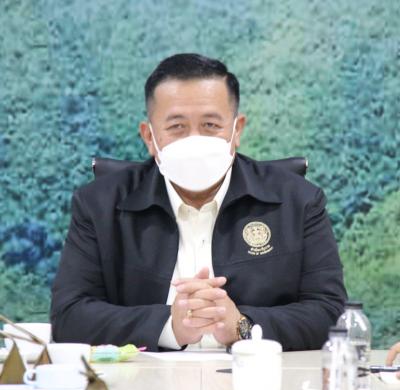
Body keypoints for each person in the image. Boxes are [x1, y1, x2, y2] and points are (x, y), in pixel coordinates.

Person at [51, 53, 347, 352]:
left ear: (236, 130)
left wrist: (242, 325)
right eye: (177, 127)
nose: (194, 140)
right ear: (149, 137)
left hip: (255, 374)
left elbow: (330, 313)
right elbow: (69, 317)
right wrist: (169, 326)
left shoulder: (298, 201)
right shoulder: (99, 205)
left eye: (210, 125)